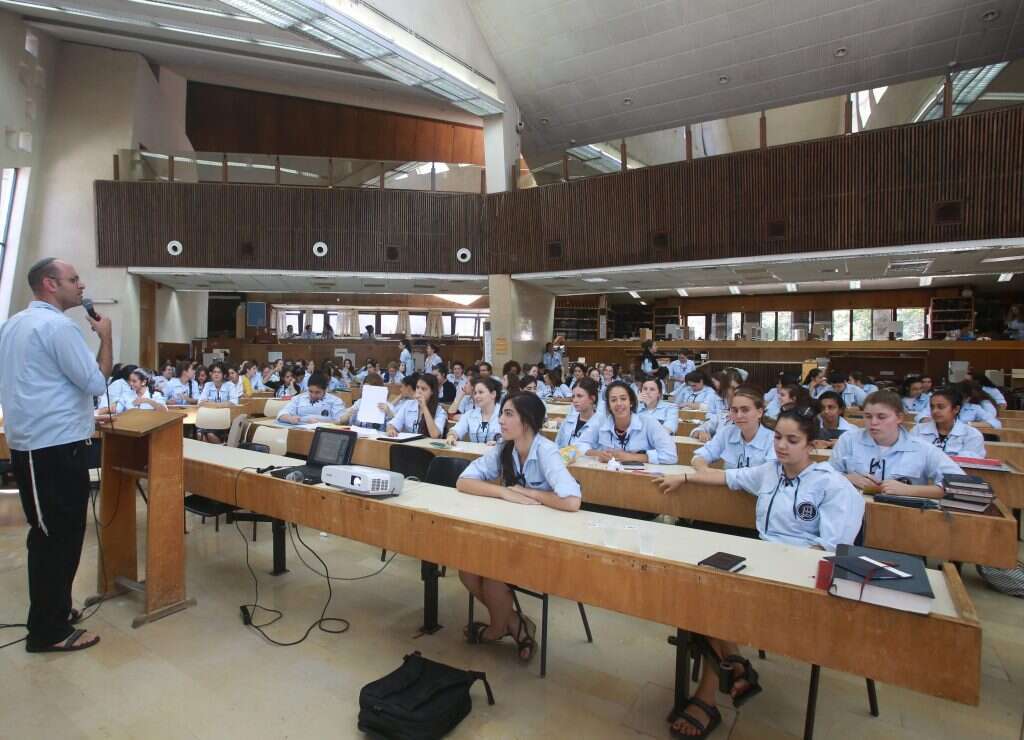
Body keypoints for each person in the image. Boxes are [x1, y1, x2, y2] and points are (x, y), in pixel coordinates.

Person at [654, 406, 864, 738]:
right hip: (760, 563)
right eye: (778, 437)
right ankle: (734, 662)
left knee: (711, 607)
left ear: (812, 445)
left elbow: (830, 550)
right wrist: (683, 476)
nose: (781, 445)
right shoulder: (770, 472)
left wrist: (781, 563)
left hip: (803, 579)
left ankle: (707, 697)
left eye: (792, 440)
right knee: (701, 589)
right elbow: (726, 477)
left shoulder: (834, 487)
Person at [0, 257, 112, 653]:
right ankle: (47, 631)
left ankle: (58, 611)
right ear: (49, 284)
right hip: (49, 447)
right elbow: (96, 382)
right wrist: (106, 337)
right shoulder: (58, 327)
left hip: (42, 445)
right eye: (73, 279)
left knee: (61, 534)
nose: (81, 286)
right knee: (53, 538)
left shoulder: (13, 324)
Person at [457, 392, 581, 663]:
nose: (500, 420)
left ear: (528, 421)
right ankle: (516, 624)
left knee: (491, 574)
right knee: (465, 568)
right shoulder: (505, 449)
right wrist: (503, 493)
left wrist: (532, 494)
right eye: (502, 413)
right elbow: (463, 481)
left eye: (508, 414)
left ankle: (497, 628)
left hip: (543, 540)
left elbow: (572, 501)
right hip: (510, 534)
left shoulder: (546, 451)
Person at [830, 390, 963, 498]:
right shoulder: (849, 439)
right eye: (868, 416)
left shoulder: (922, 448)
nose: (873, 422)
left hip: (900, 517)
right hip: (852, 513)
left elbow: (960, 485)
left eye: (881, 417)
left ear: (899, 417)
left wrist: (909, 490)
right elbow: (825, 475)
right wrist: (847, 478)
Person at [577, 381, 677, 463]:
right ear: (609, 406)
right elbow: (579, 444)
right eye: (613, 400)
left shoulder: (648, 422)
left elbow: (670, 455)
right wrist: (598, 454)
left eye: (623, 399)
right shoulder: (601, 421)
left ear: (631, 402)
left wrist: (632, 457)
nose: (619, 404)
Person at [691, 386, 775, 470]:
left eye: (745, 410)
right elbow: (701, 456)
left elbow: (767, 473)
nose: (739, 416)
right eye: (734, 410)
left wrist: (725, 476)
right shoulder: (727, 433)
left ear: (759, 412)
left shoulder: (773, 440)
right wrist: (704, 469)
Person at [909, 386, 987, 458]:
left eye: (941, 407)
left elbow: (971, 465)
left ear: (956, 409)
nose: (935, 411)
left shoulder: (972, 435)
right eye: (932, 407)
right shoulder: (918, 430)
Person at [387, 373, 446, 438]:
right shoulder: (408, 404)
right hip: (408, 444)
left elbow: (435, 435)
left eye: (423, 389)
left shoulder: (440, 411)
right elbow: (393, 423)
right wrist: (391, 429)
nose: (419, 391)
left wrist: (424, 407)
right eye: (417, 387)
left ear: (432, 392)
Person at [447, 376, 502, 445]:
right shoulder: (470, 414)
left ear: (493, 394)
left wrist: (500, 443)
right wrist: (452, 436)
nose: (476, 396)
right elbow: (456, 430)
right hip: (474, 454)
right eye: (475, 393)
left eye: (481, 392)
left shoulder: (504, 413)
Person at [276, 372, 345, 424]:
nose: (313, 395)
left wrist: (321, 422)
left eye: (317, 392)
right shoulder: (298, 398)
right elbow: (282, 413)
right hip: (300, 431)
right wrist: (290, 418)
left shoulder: (335, 401)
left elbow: (340, 420)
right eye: (310, 391)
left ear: (325, 390)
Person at [555, 378, 603, 448]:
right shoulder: (568, 420)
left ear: (592, 398)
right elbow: (557, 445)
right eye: (573, 396)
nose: (575, 400)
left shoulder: (601, 425)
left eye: (579, 396)